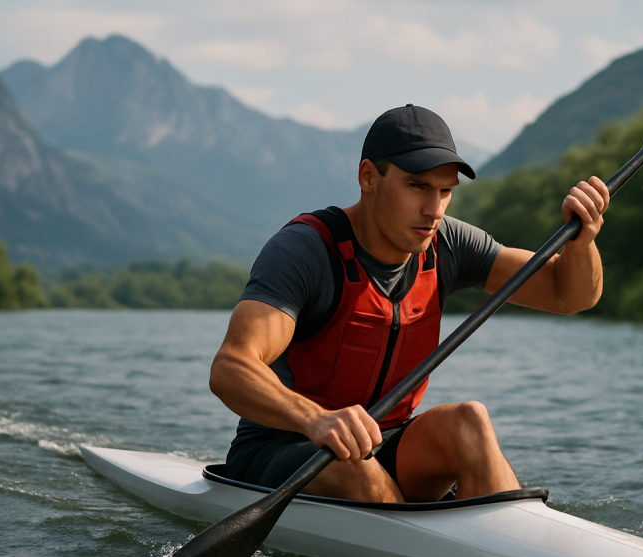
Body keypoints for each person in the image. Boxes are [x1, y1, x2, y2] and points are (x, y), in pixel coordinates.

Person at [210, 104, 608, 504]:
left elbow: (568, 295)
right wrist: (316, 419)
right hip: (280, 451)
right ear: (368, 177)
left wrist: (582, 242)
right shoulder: (306, 251)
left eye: (445, 191)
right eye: (417, 186)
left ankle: (512, 538)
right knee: (351, 464)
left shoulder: (448, 244)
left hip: (382, 444)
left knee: (468, 422)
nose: (434, 210)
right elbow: (230, 368)